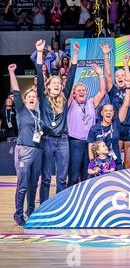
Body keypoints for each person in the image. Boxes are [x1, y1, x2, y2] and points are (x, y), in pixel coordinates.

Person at [35, 39, 78, 204]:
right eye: (53, 82)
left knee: (62, 177)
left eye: (59, 83)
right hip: (46, 140)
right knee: (45, 177)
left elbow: (72, 73)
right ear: (47, 86)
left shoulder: (65, 97)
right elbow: (39, 73)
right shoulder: (43, 97)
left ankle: (60, 206)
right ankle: (44, 206)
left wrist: (75, 54)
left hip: (63, 140)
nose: (57, 85)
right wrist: (39, 52)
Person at [8, 64, 42, 226]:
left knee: (33, 183)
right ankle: (18, 213)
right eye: (29, 95)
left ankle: (31, 211)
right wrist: (11, 72)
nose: (32, 97)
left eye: (34, 96)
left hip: (38, 151)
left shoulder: (39, 114)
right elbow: (15, 90)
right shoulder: (21, 110)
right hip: (24, 150)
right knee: (23, 184)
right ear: (24, 99)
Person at [102, 40, 130, 169]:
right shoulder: (113, 90)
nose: (120, 77)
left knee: (128, 162)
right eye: (117, 76)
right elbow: (107, 74)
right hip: (116, 126)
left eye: (122, 75)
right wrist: (106, 56)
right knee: (115, 158)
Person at [67, 63, 107, 186]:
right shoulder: (71, 103)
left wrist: (100, 75)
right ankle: (71, 199)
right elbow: (68, 88)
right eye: (78, 90)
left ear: (87, 93)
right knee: (74, 176)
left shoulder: (91, 102)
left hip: (90, 143)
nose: (81, 91)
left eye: (83, 90)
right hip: (75, 142)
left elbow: (103, 91)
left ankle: (84, 199)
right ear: (74, 94)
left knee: (87, 175)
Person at [87, 90, 130, 171]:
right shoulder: (94, 129)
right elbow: (90, 149)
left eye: (111, 111)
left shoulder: (116, 124)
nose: (108, 112)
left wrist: (128, 88)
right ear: (102, 113)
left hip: (116, 163)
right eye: (106, 111)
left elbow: (125, 105)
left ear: (114, 113)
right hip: (100, 165)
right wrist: (94, 165)